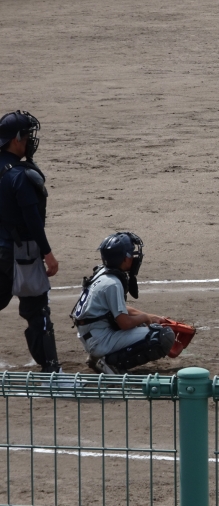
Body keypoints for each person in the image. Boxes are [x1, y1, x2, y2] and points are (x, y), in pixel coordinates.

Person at [0, 110, 62, 373]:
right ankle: (51, 371)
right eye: (26, 137)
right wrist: (48, 253)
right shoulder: (20, 175)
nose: (29, 142)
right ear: (16, 139)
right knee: (37, 310)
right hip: (20, 253)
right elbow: (32, 218)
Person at [70, 232, 175, 374]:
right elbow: (124, 323)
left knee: (141, 323)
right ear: (125, 258)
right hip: (100, 340)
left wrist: (150, 316)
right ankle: (110, 363)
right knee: (162, 336)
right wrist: (145, 318)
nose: (134, 256)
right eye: (131, 253)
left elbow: (117, 308)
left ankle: (97, 357)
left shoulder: (102, 274)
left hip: (92, 335)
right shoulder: (113, 283)